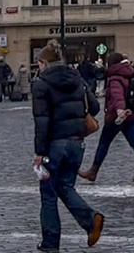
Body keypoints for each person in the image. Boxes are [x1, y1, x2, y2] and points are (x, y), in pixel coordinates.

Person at [31, 41, 105, 249]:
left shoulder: (41, 83)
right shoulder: (77, 78)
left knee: (48, 193)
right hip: (77, 143)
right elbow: (96, 106)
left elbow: (42, 120)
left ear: (43, 62)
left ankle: (50, 241)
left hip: (55, 144)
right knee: (65, 186)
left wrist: (40, 152)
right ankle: (91, 221)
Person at [85, 52, 134, 184]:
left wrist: (120, 110)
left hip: (116, 117)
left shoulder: (115, 78)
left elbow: (117, 95)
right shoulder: (129, 73)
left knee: (104, 143)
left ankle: (93, 171)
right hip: (131, 115)